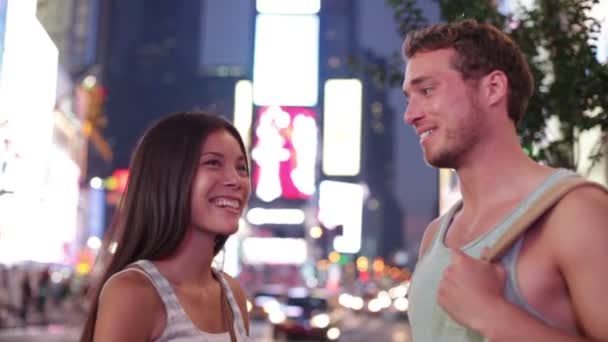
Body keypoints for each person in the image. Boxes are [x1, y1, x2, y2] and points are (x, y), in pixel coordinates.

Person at [402, 20, 608, 341]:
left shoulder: (574, 212)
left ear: (494, 88)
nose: (410, 114)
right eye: (408, 97)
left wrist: (493, 315)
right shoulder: (434, 238)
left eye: (427, 90)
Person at [79, 112, 252, 342]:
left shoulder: (232, 295)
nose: (235, 180)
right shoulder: (134, 292)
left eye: (241, 168)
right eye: (213, 163)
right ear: (169, 176)